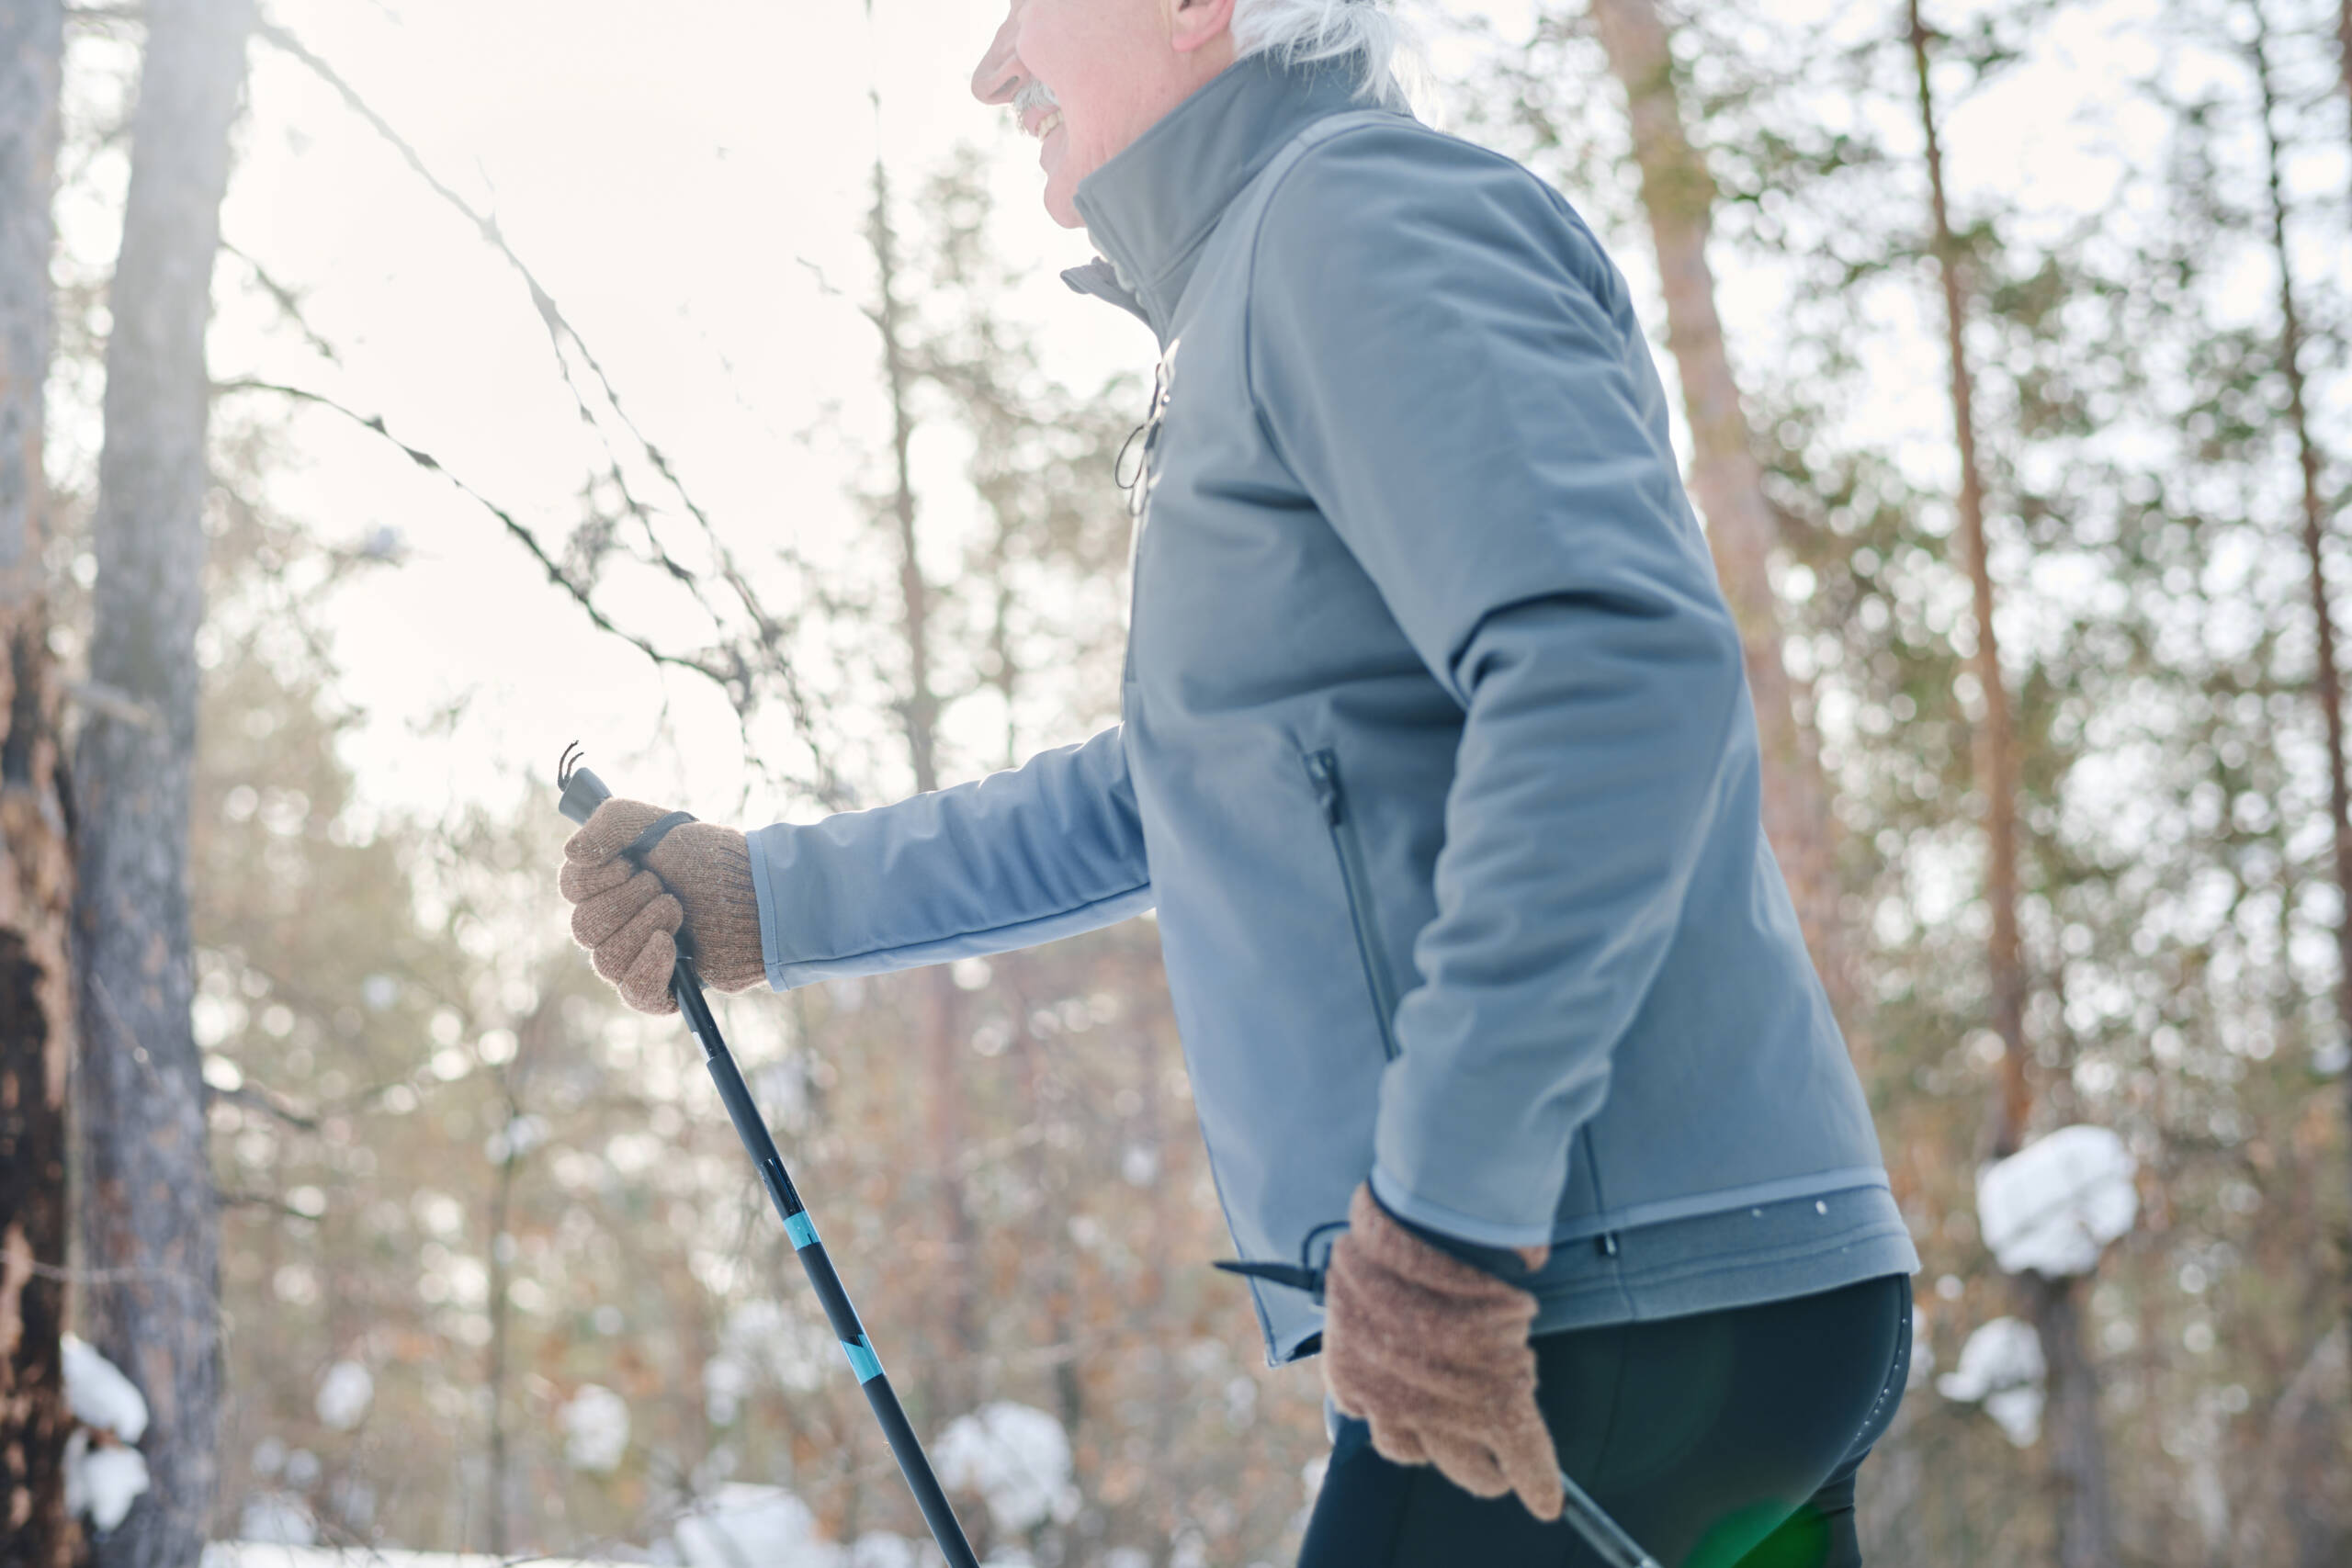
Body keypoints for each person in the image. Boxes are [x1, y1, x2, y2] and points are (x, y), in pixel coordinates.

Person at [558, 1, 1920, 1562]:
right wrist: (773, 897)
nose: (990, 65)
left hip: (1586, 1296)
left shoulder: (1354, 221)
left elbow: (1613, 675)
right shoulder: (1273, 277)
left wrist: (1456, 1213)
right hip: (1644, 1292)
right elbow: (1188, 787)